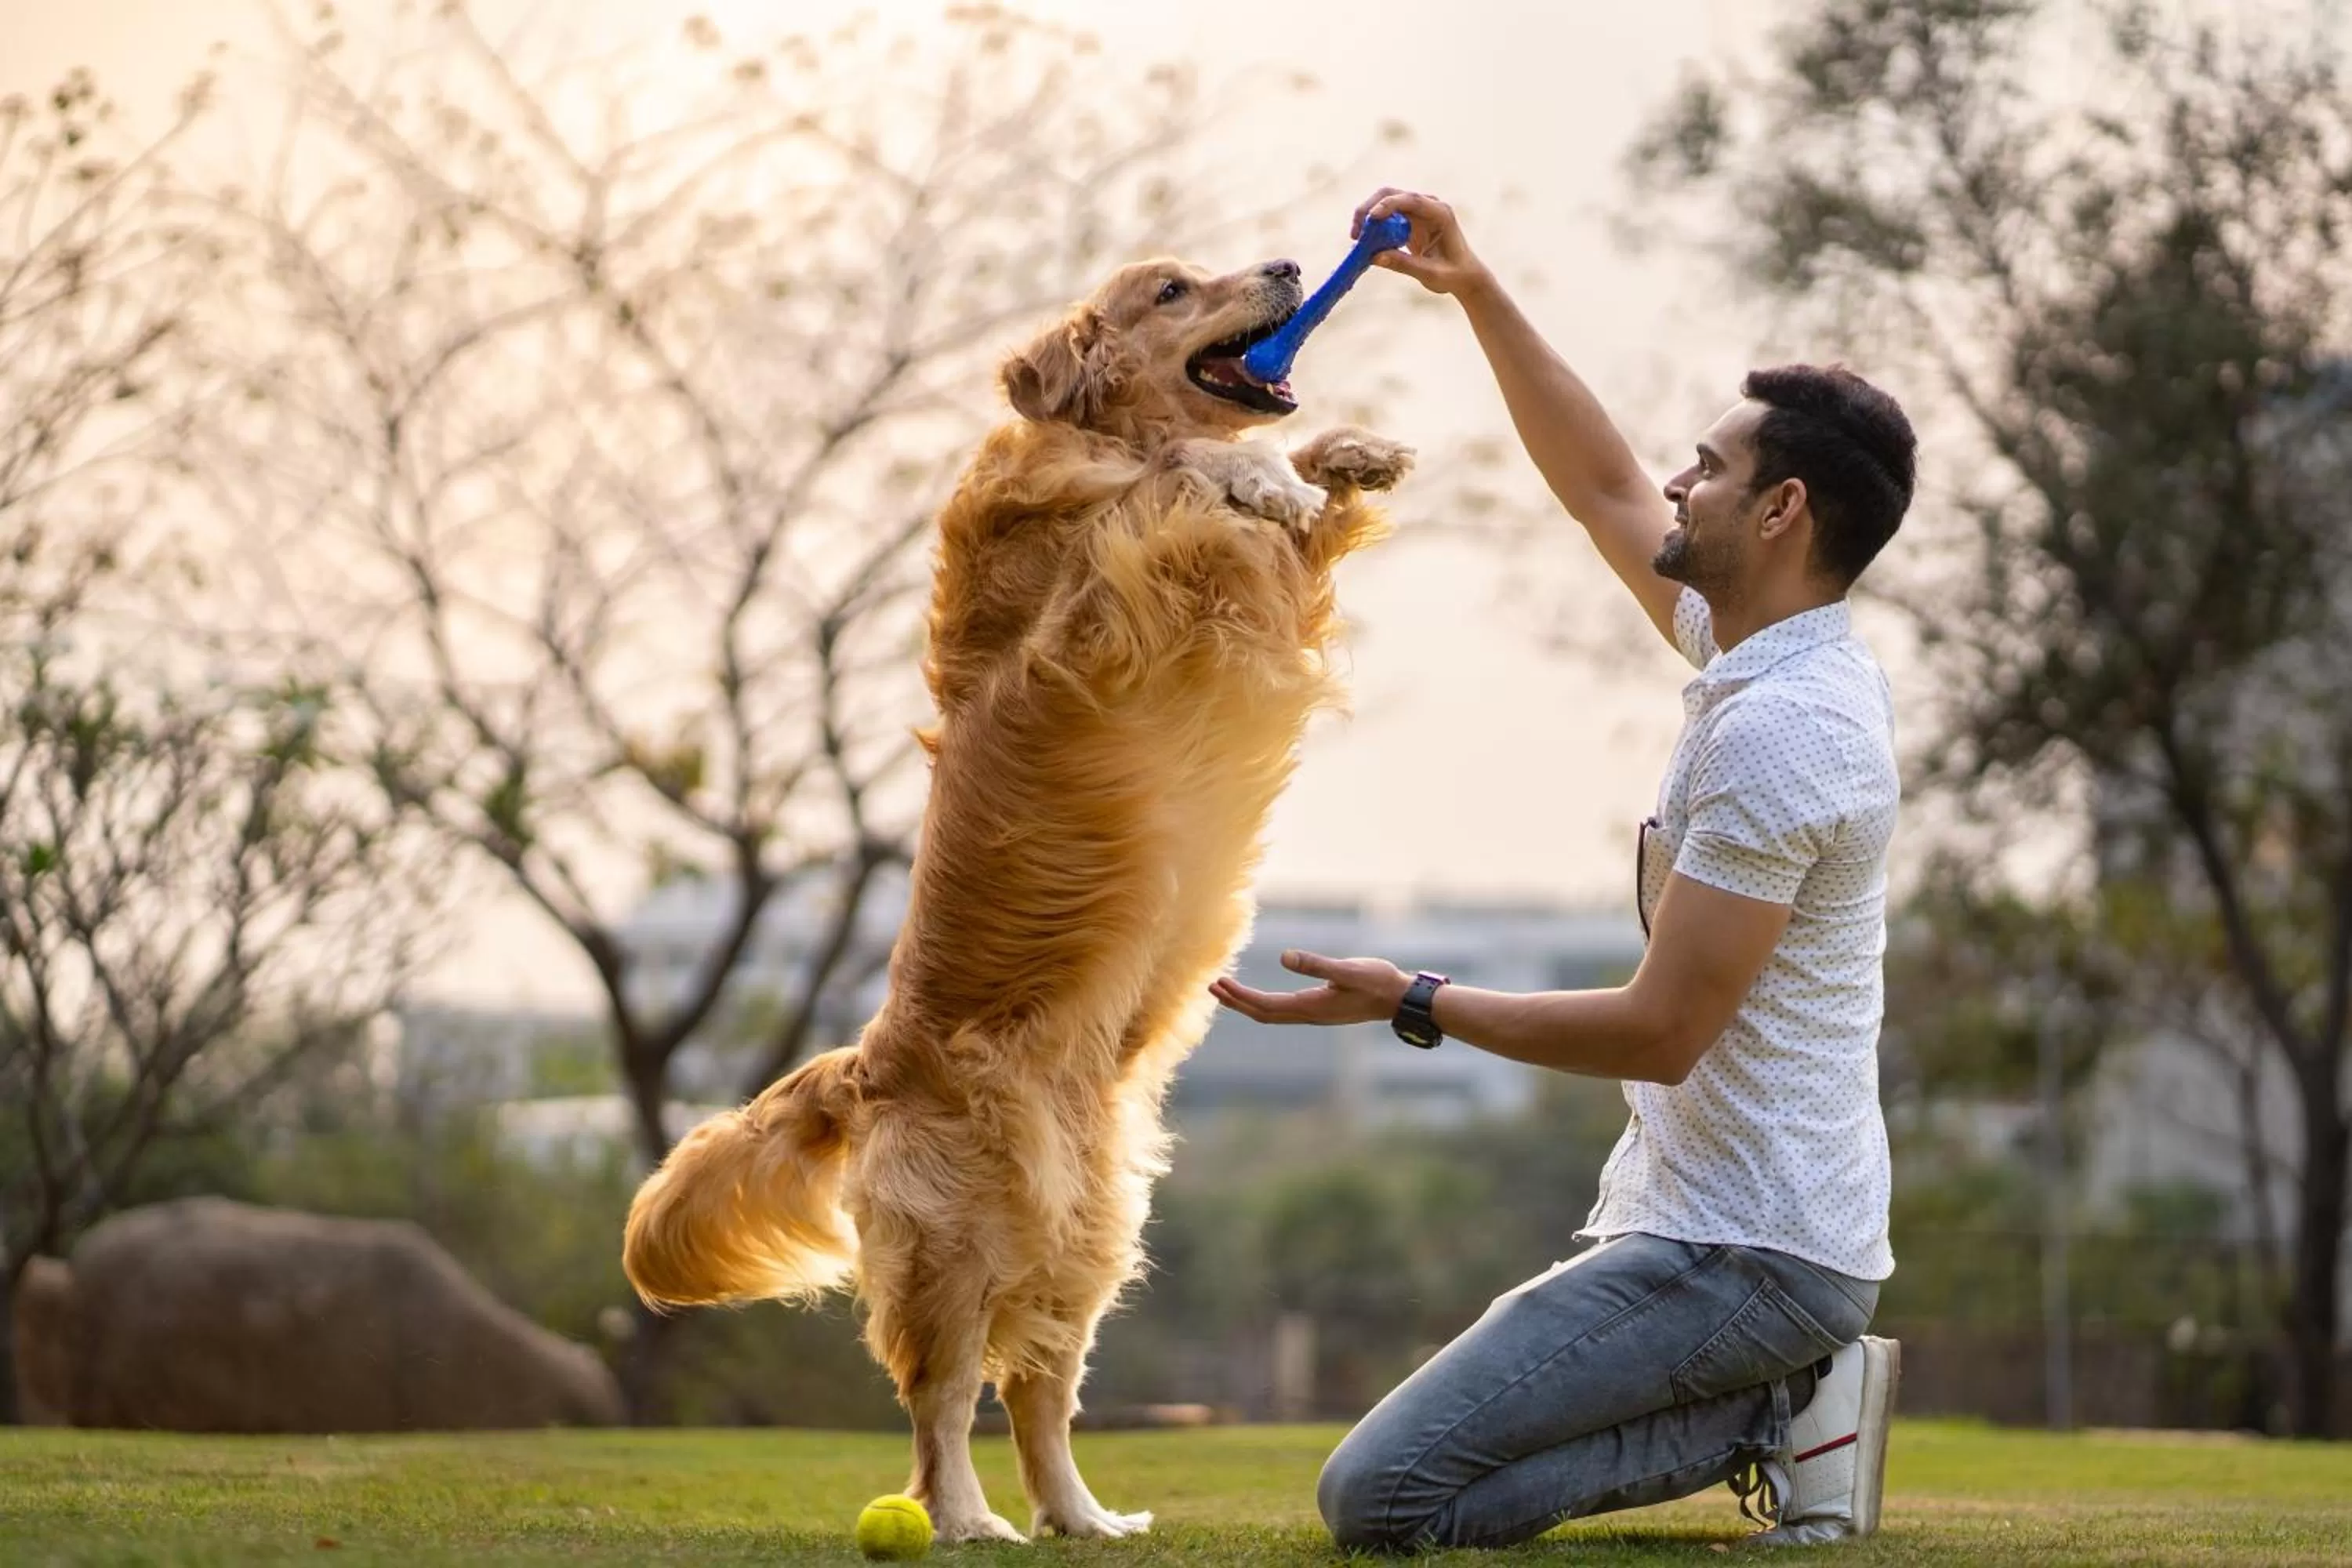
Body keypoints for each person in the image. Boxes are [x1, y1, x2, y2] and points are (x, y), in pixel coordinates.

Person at [1210, 187, 1917, 1552]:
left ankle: (1784, 1411)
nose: (1673, 479)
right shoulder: (1757, 653)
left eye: (1706, 468)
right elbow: (1598, 485)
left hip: (1754, 1253)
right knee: (1408, 1490)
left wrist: (1413, 998)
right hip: (1713, 1224)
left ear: (1780, 511)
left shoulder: (1789, 728)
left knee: (1385, 1501)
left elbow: (1661, 1032)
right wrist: (1474, 287)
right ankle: (1779, 1403)